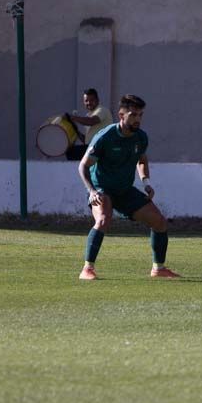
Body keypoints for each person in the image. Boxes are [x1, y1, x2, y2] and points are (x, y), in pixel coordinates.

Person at [77, 94, 177, 280]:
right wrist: (92, 191)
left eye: (140, 115)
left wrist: (146, 182)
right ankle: (87, 269)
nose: (137, 119)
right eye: (133, 115)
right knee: (103, 220)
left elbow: (142, 160)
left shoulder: (140, 137)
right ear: (121, 115)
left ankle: (159, 269)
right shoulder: (105, 137)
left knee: (160, 222)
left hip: (124, 190)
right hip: (102, 189)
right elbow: (83, 166)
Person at [66, 88, 114, 161]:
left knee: (72, 152)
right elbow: (86, 140)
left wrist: (73, 117)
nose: (89, 103)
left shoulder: (102, 110)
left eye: (91, 100)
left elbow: (92, 121)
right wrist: (75, 129)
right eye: (86, 101)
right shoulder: (88, 115)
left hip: (102, 148)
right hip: (92, 148)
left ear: (97, 100)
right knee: (70, 151)